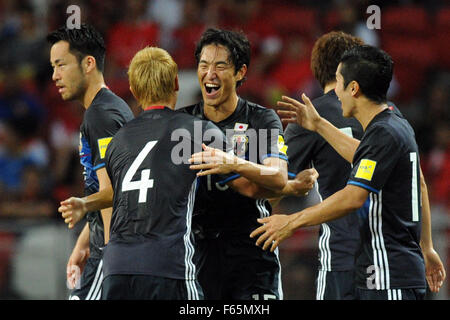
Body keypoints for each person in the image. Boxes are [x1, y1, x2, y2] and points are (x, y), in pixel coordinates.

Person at [59, 46, 253, 299]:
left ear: (133, 90)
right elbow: (249, 186)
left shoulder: (118, 140)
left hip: (117, 268)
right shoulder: (197, 130)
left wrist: (86, 209)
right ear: (176, 83)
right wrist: (285, 185)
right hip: (167, 266)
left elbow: (116, 196)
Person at [251, 45, 440, 300]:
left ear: (353, 88)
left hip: (389, 275)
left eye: (338, 83)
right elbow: (363, 154)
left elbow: (353, 197)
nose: (334, 93)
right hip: (382, 272)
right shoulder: (391, 123)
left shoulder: (385, 133)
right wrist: (318, 125)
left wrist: (291, 221)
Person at [182, 28, 317, 300]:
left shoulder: (261, 120)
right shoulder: (182, 124)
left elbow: (276, 176)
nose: (210, 73)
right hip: (195, 256)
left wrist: (233, 162)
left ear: (241, 72)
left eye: (220, 66)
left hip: (251, 252)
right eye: (204, 65)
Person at [47, 24, 134, 300]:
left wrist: (111, 259)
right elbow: (105, 194)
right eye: (52, 67)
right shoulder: (111, 108)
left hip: (111, 255)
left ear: (88, 63)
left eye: (61, 65)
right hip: (109, 251)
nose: (54, 76)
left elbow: (115, 193)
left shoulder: (101, 117)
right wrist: (83, 244)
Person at [282, 31, 364, 300]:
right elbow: (418, 181)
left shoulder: (308, 116)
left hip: (342, 253)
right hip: (391, 255)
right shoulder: (387, 114)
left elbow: (275, 179)